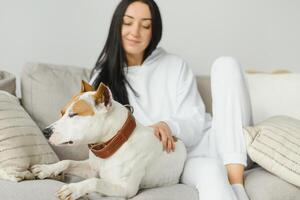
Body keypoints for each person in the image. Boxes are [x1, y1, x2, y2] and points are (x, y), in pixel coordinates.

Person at [89, 0, 253, 200]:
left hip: (215, 140)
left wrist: (168, 125)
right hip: (180, 161)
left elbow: (195, 121)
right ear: (117, 25)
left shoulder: (174, 65)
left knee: (225, 65)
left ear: (154, 31)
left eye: (146, 25)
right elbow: (94, 131)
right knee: (211, 172)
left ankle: (237, 184)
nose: (135, 31)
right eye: (128, 22)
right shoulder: (101, 78)